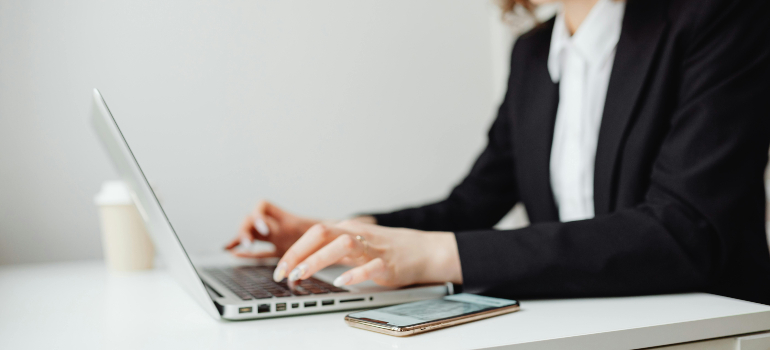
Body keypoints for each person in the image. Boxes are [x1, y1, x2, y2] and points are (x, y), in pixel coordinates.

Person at [225, 0, 770, 305]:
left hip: (709, 325)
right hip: (581, 325)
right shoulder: (533, 55)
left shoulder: (722, 17)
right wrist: (345, 233)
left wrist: (435, 256)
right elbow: (471, 205)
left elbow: (686, 232)